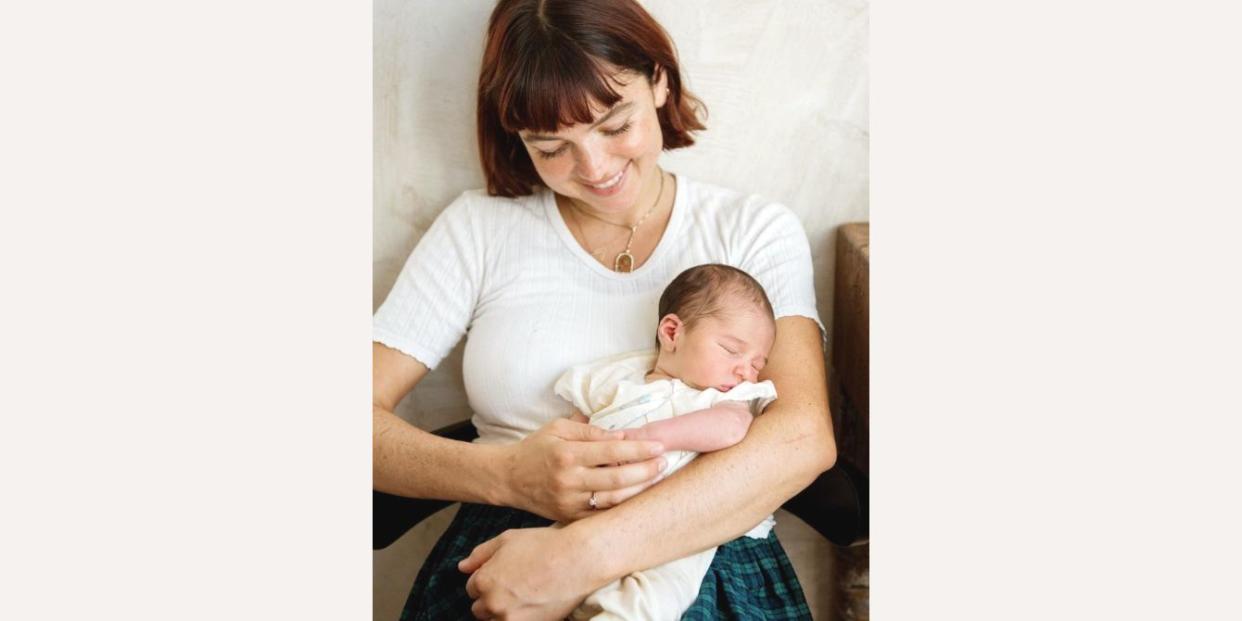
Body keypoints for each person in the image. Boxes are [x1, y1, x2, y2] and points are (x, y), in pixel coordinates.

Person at [372, 0, 836, 618]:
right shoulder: (478, 230)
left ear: (660, 82)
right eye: (550, 145)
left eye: (615, 125)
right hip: (507, 554)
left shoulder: (750, 231)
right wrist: (504, 475)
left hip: (701, 547)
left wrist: (581, 555)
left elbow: (803, 437)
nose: (593, 169)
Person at [557, 264, 782, 620]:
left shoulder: (725, 402)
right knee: (551, 576)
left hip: (678, 531)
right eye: (731, 350)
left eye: (757, 364)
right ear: (673, 332)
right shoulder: (619, 378)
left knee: (653, 599)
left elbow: (731, 428)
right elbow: (574, 428)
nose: (745, 371)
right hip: (591, 517)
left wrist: (649, 438)